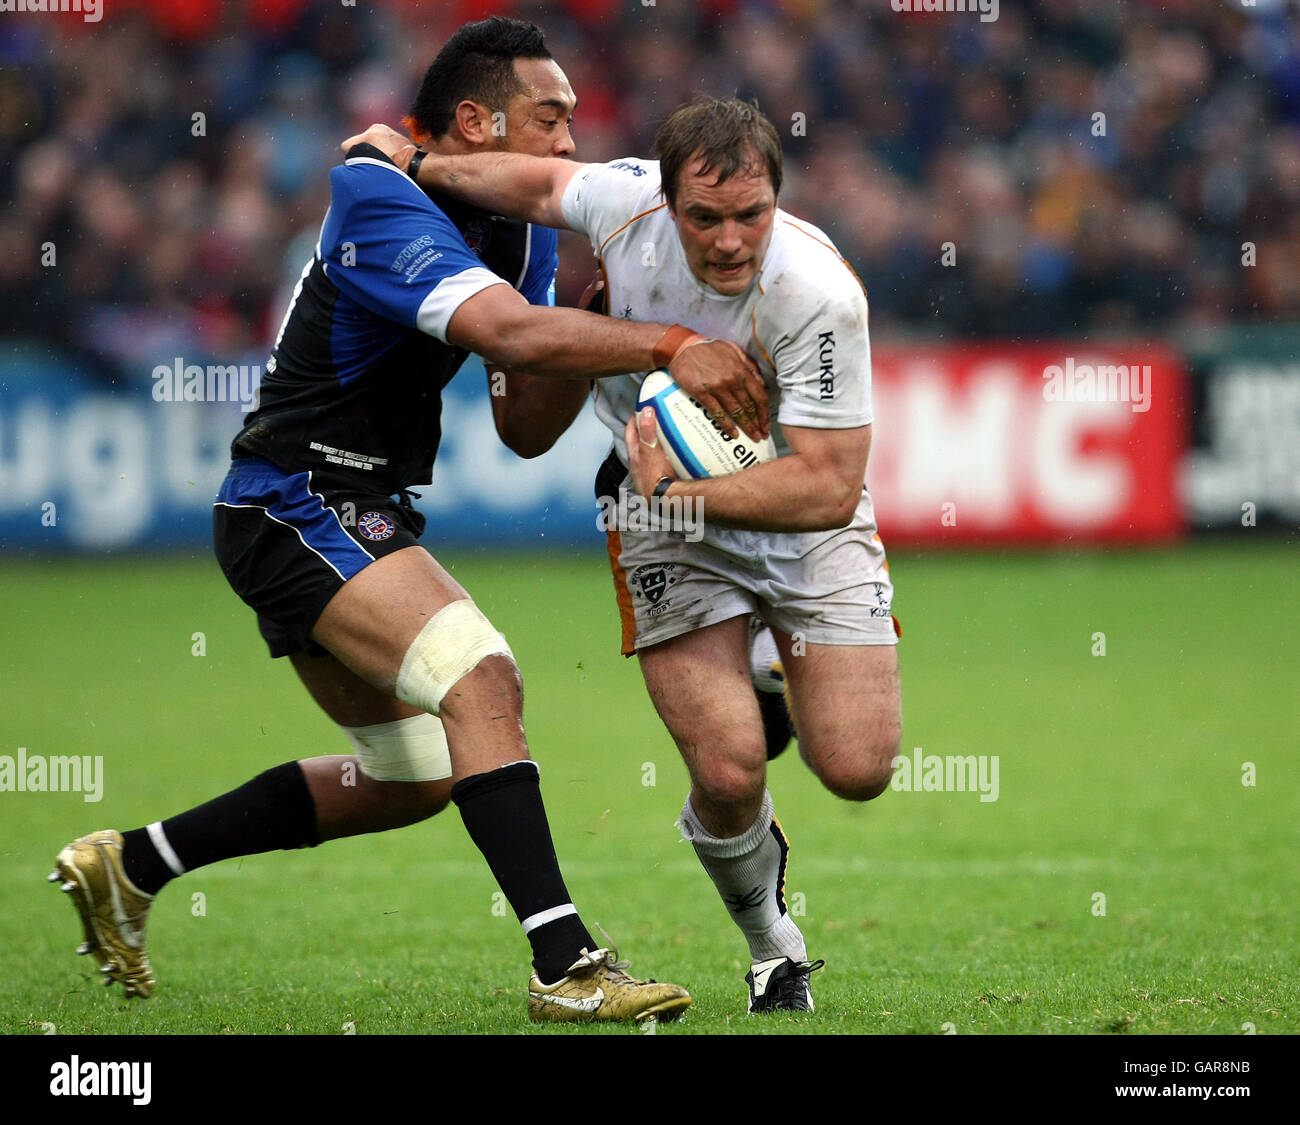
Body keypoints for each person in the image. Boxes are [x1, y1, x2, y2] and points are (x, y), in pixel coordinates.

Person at [50, 18, 768, 1025]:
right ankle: (565, 966)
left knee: (415, 771)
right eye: (548, 119)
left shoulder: (515, 230)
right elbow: (503, 331)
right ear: (474, 123)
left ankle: (133, 863)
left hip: (357, 503)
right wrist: (663, 344)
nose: (568, 144)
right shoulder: (375, 193)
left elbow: (521, 422)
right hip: (295, 494)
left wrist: (590, 325)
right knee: (483, 678)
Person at [346, 94, 903, 1014]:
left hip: (797, 522)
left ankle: (769, 671)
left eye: (751, 215)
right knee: (727, 772)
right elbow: (532, 180)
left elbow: (830, 487)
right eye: (706, 217)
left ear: (778, 198)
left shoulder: (819, 293)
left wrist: (682, 492)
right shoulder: (622, 203)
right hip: (661, 528)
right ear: (666, 198)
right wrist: (418, 165)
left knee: (859, 768)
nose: (729, 240)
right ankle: (771, 942)